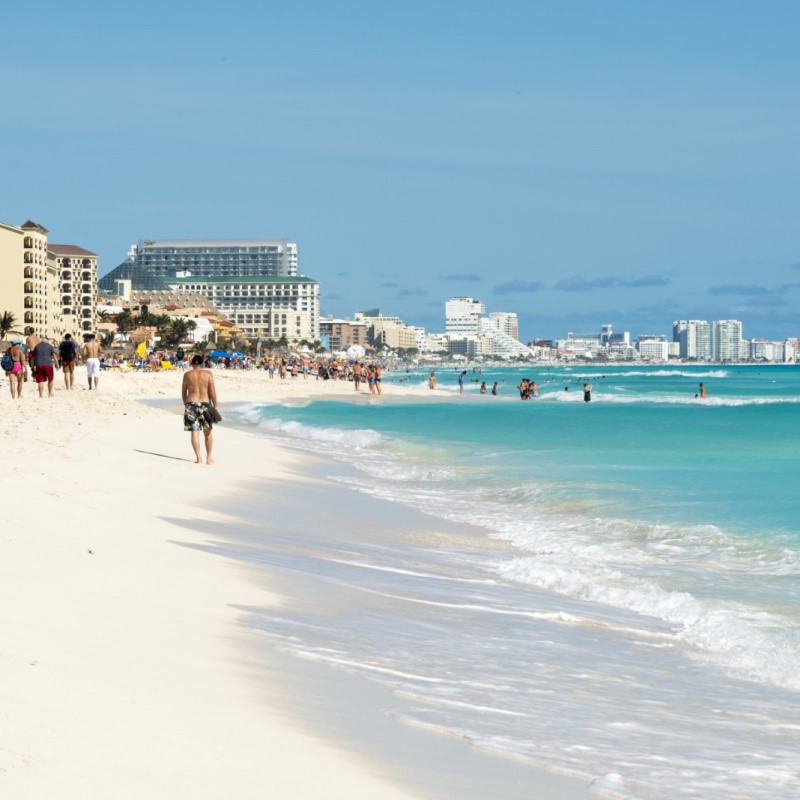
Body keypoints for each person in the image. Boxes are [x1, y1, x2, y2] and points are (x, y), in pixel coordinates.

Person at [182, 353, 218, 465]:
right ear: (202, 363)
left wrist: (186, 403)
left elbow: (184, 392)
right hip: (205, 404)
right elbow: (212, 391)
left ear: (192, 363)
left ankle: (199, 458)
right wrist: (215, 405)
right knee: (207, 432)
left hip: (191, 403)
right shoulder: (208, 374)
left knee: (194, 432)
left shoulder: (187, 375)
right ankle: (208, 458)